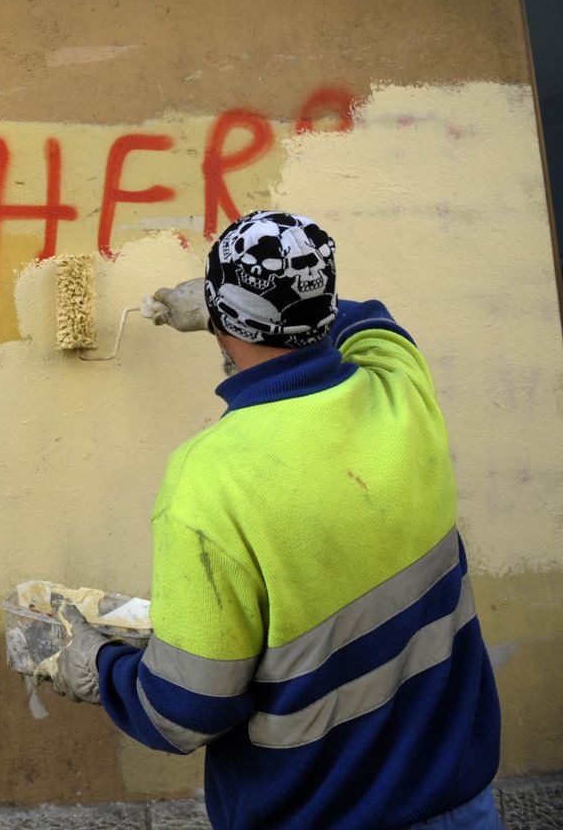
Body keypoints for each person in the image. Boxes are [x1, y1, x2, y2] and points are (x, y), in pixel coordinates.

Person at [40, 211, 502, 829]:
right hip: (460, 802)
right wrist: (235, 306)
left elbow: (185, 712)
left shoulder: (209, 481)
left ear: (223, 322)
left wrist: (93, 665)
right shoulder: (399, 383)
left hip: (319, 815)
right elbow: (366, 316)